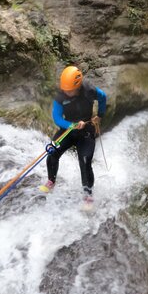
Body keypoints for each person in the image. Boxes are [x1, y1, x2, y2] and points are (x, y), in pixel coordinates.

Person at [39, 65, 107, 204]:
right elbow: (57, 118)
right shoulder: (60, 96)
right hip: (67, 130)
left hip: (86, 131)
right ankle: (51, 180)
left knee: (85, 161)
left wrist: (99, 115)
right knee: (52, 152)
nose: (67, 92)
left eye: (70, 90)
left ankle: (88, 193)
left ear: (78, 85)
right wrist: (72, 125)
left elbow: (103, 97)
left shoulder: (90, 90)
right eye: (65, 89)